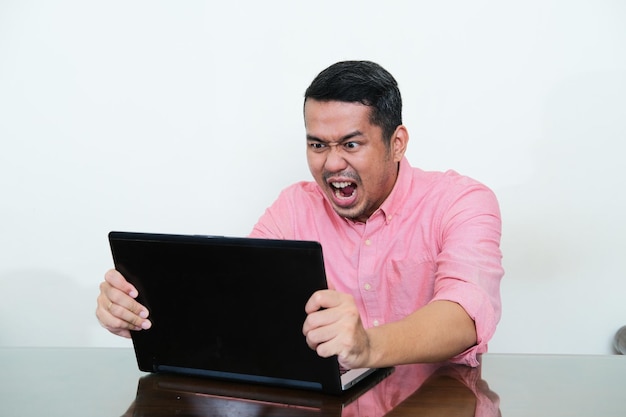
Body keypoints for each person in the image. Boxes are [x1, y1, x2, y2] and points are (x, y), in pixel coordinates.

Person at [96, 60, 503, 369]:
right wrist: (139, 311)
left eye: (350, 144)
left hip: (438, 400)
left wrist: (369, 345)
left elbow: (465, 312)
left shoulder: (462, 202)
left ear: (397, 143)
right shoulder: (292, 208)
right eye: (318, 145)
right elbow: (237, 301)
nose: (331, 164)